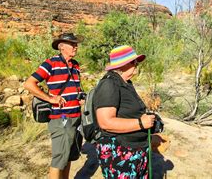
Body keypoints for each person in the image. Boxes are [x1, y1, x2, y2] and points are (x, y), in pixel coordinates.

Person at [24, 33, 84, 179]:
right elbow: (29, 84)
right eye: (72, 44)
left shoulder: (75, 64)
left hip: (76, 117)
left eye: (76, 44)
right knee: (59, 159)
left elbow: (75, 87)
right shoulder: (51, 63)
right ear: (61, 47)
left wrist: (81, 96)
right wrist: (50, 98)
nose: (75, 46)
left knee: (69, 156)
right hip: (60, 118)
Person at [93, 45, 155, 178]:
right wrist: (140, 123)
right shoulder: (109, 84)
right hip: (120, 152)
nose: (136, 65)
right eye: (134, 62)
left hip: (135, 150)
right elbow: (105, 122)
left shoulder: (126, 83)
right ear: (123, 64)